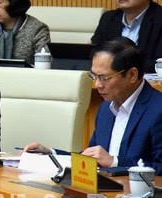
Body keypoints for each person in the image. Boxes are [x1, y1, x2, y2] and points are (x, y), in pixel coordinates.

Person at [24, 38, 162, 174]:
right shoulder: (105, 109)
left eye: (104, 78)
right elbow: (92, 158)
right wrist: (51, 154)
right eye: (94, 76)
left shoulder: (158, 109)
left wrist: (115, 162)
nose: (97, 85)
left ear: (132, 75)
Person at [91, 0, 162, 75]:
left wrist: (118, 67)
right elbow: (95, 55)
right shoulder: (109, 19)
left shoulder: (159, 19)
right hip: (110, 83)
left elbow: (159, 63)